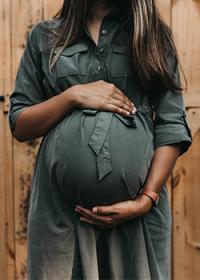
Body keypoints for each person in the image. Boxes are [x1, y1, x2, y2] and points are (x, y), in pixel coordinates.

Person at [8, 0, 192, 279]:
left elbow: (172, 124)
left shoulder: (152, 37)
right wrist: (72, 96)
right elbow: (20, 124)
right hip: (62, 216)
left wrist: (146, 199)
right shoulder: (45, 38)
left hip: (138, 216)